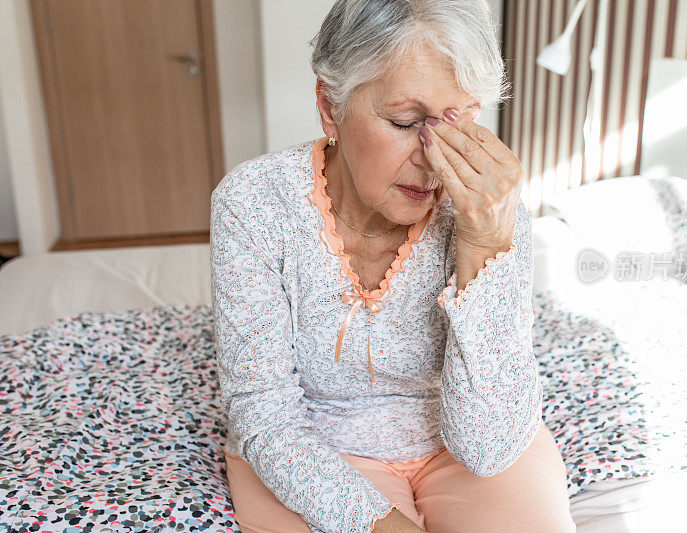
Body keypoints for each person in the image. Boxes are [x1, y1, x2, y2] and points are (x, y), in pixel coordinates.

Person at [210, 0, 575, 531]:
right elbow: (264, 417)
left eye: (459, 121)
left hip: (460, 445)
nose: (435, 158)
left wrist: (484, 242)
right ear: (330, 105)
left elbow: (490, 446)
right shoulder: (252, 202)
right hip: (314, 452)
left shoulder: (488, 205)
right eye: (406, 121)